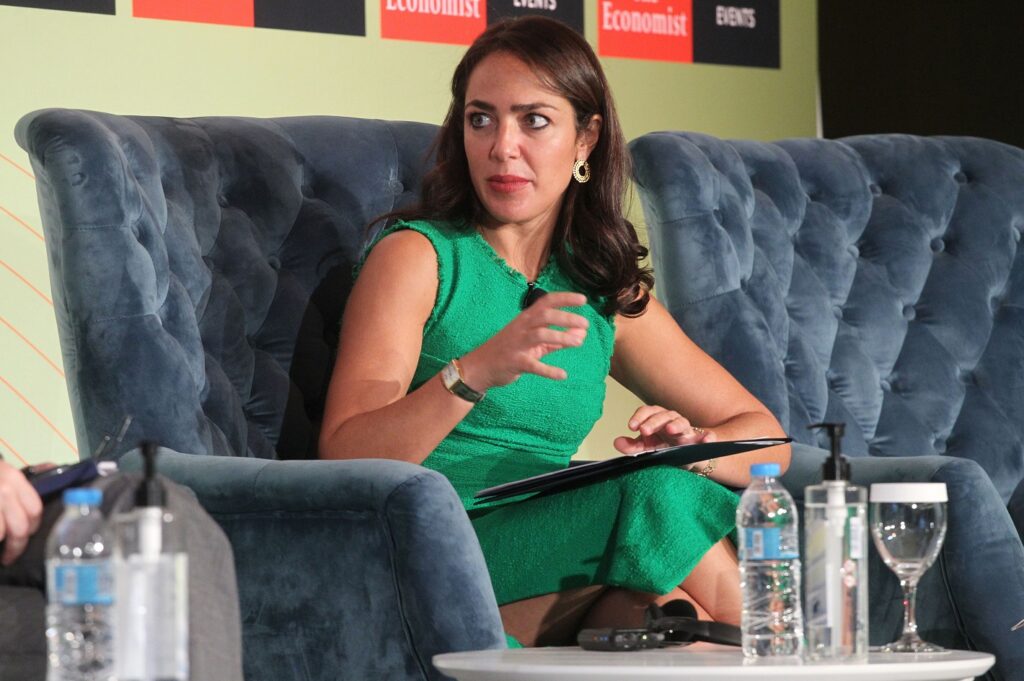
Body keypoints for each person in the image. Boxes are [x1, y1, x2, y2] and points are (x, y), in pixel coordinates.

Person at [318, 16, 790, 646]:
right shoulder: (418, 256)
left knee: (669, 616)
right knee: (651, 495)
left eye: (534, 121)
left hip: (551, 557)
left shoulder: (600, 285)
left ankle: (765, 646)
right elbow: (345, 455)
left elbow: (766, 443)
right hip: (430, 547)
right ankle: (791, 644)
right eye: (481, 119)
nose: (502, 146)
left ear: (585, 140)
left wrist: (691, 447)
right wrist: (472, 374)